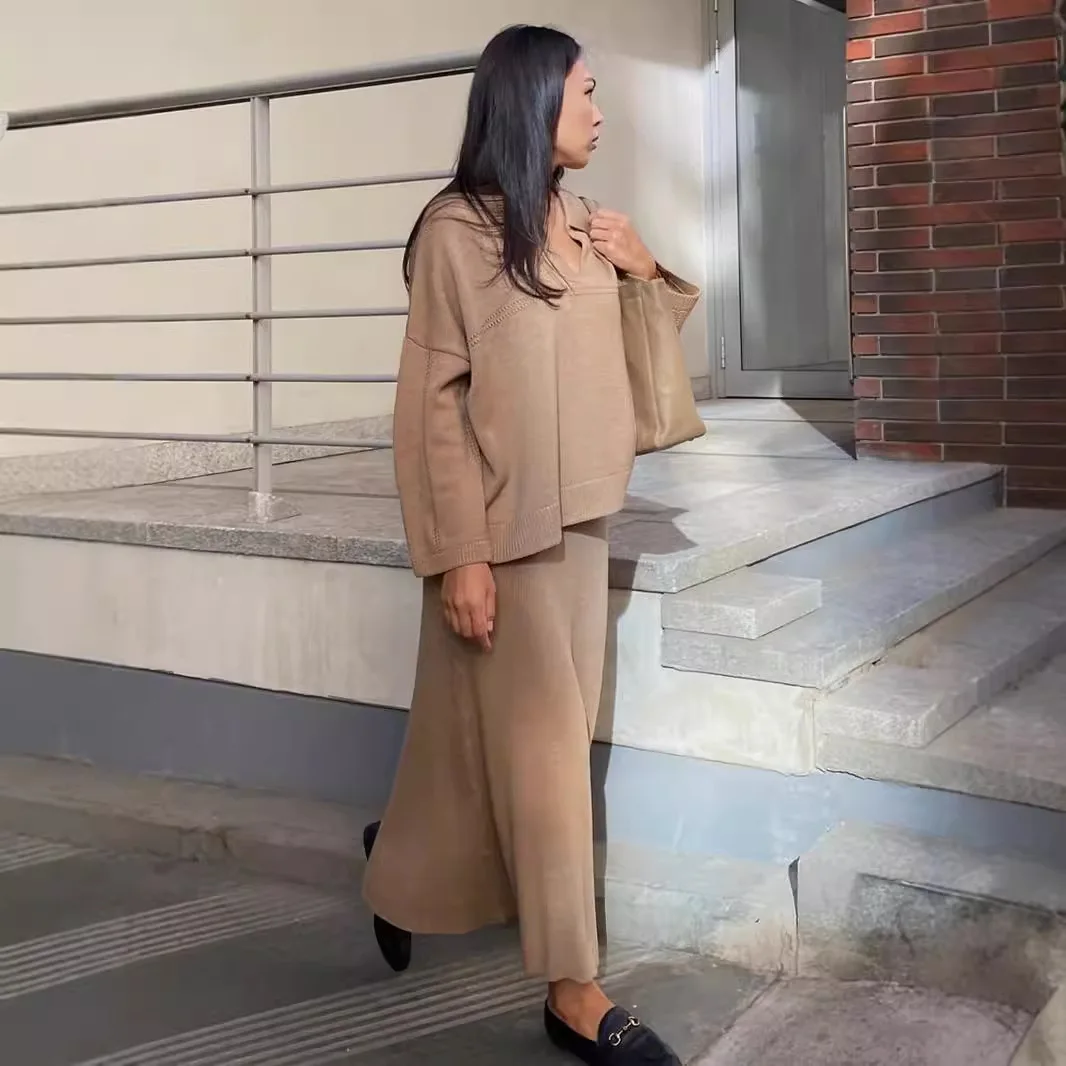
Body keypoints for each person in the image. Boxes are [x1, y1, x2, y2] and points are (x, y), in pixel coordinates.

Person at [362, 23, 699, 1066]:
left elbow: (641, 388)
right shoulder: (456, 233)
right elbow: (431, 408)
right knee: (551, 764)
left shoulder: (587, 223)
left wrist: (645, 272)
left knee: (492, 748)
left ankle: (398, 858)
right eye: (586, 91)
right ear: (533, 98)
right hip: (502, 539)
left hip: (583, 524)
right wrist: (458, 553)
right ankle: (573, 992)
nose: (601, 112)